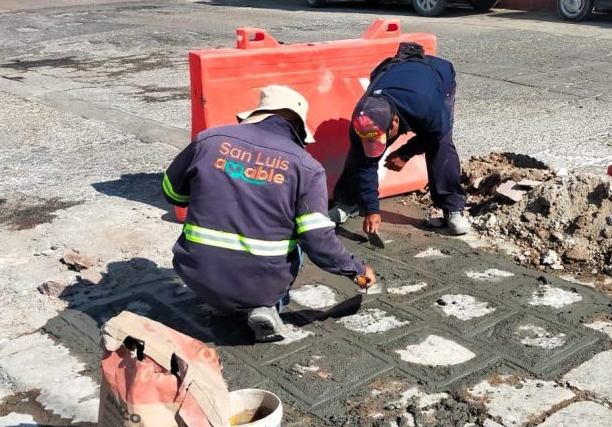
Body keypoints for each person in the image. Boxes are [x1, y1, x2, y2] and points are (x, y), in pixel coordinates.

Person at [162, 85, 375, 342]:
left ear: (257, 114)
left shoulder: (208, 140)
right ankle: (267, 307)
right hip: (260, 286)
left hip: (195, 272)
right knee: (300, 235)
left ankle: (223, 297)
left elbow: (172, 193)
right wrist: (356, 269)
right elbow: (318, 241)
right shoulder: (306, 166)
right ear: (297, 129)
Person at [329, 43, 469, 236]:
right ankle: (346, 202)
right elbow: (366, 163)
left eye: (383, 137)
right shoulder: (362, 118)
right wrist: (371, 209)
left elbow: (435, 133)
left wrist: (405, 153)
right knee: (360, 154)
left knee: (441, 145)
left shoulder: (427, 107)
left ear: (396, 121)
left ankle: (452, 207)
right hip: (392, 72)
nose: (379, 143)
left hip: (435, 77)